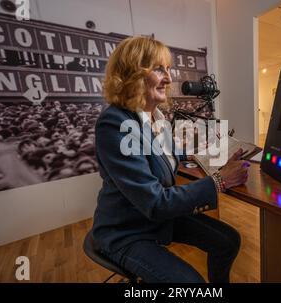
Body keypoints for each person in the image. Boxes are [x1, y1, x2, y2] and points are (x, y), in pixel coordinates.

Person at [91, 36, 249, 283]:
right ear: (132, 74)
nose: (169, 78)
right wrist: (220, 180)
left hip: (156, 219)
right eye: (158, 69)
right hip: (127, 231)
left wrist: (213, 153)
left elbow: (168, 156)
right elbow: (155, 202)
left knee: (228, 241)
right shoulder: (115, 124)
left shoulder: (158, 117)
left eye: (167, 69)